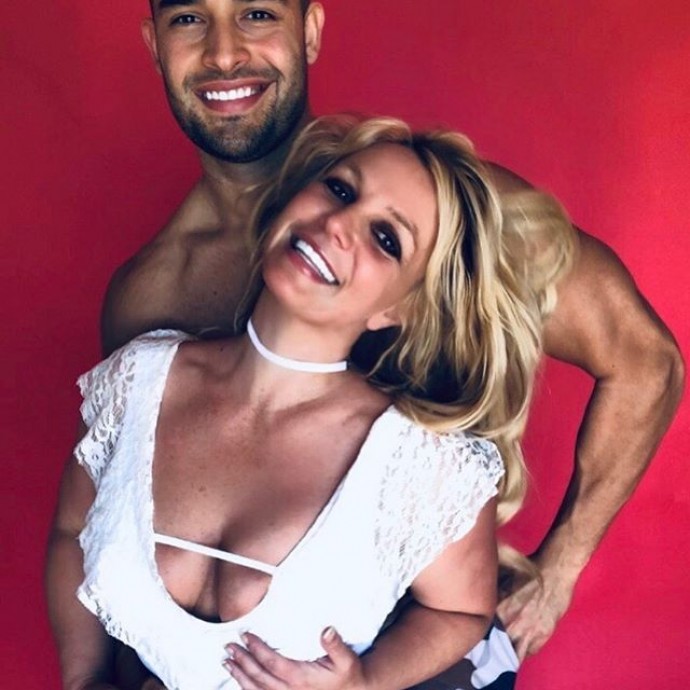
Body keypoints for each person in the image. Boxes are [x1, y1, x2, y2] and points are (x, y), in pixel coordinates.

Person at [98, 0, 684, 687]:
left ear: (309, 30)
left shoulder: (443, 210)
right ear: (154, 44)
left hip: (427, 648)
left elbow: (647, 363)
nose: (225, 54)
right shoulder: (152, 298)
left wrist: (558, 571)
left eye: (256, 13)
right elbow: (123, 534)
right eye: (189, 19)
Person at [46, 116, 571, 690]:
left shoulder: (425, 466)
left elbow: (461, 612)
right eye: (340, 190)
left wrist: (366, 683)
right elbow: (73, 530)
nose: (338, 223)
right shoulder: (135, 380)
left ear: (401, 309)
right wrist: (84, 677)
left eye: (386, 239)